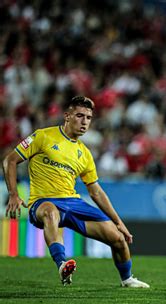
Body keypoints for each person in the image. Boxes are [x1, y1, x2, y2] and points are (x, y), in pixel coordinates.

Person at [2, 96, 149, 288]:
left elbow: (96, 191)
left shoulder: (85, 153)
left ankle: (127, 279)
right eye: (79, 116)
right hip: (43, 201)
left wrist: (118, 222)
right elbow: (9, 161)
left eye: (88, 118)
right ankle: (62, 264)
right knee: (50, 212)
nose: (84, 121)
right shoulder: (42, 136)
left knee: (118, 239)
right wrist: (13, 193)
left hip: (73, 203)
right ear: (67, 116)